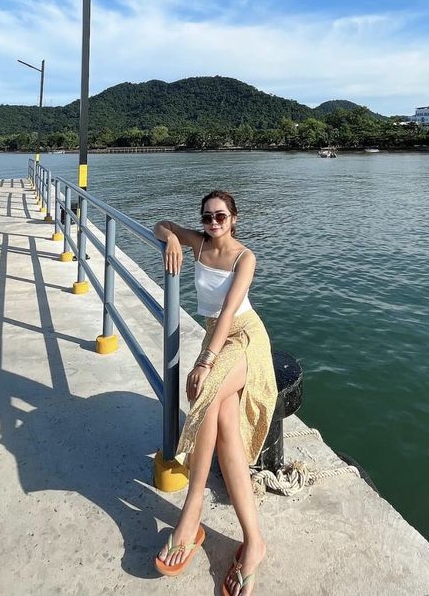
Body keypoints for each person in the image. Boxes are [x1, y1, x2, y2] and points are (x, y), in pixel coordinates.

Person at [153, 190, 277, 596]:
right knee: (222, 419)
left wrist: (205, 360)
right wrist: (172, 238)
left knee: (202, 398)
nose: (213, 223)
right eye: (207, 218)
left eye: (221, 217)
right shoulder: (201, 243)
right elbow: (163, 225)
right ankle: (253, 540)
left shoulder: (246, 258)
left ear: (235, 218)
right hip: (216, 339)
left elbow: (228, 313)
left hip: (243, 339)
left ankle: (192, 514)